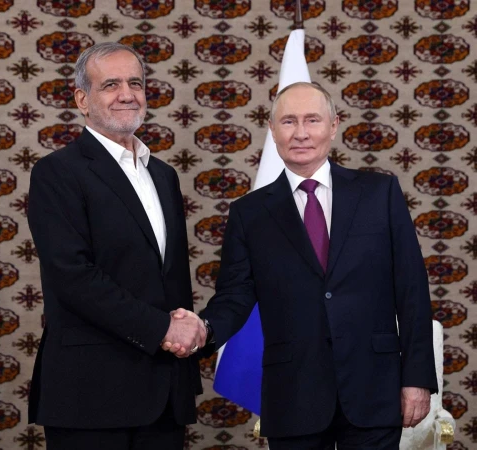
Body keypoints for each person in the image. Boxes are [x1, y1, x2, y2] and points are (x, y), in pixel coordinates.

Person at [166, 82, 437, 449]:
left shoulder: (380, 193)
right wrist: (203, 329)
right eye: (289, 121)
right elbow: (235, 296)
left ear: (334, 125)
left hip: (374, 389)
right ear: (272, 129)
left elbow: (412, 291)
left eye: (312, 120)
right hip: (293, 395)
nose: (301, 133)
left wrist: (417, 378)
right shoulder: (249, 213)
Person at [27, 42, 207, 450]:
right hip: (90, 393)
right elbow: (73, 277)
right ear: (82, 100)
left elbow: (169, 279)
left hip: (165, 391)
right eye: (110, 84)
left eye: (135, 83)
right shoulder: (57, 172)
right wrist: (163, 328)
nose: (127, 94)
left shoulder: (163, 175)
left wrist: (186, 336)